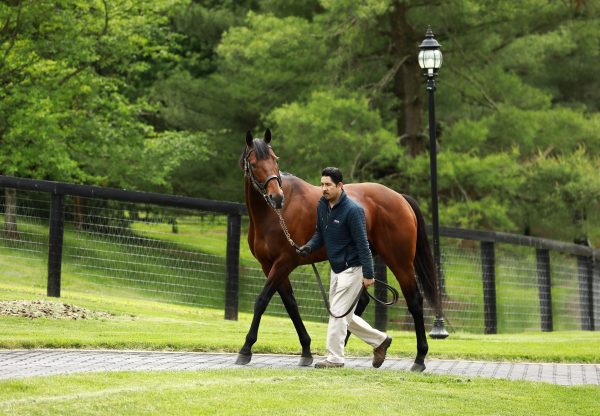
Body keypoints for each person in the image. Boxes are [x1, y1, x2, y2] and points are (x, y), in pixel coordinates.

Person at [297, 167, 392, 368]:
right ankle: (380, 341)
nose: (323, 188)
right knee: (345, 315)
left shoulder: (353, 210)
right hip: (337, 268)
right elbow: (320, 234)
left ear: (340, 185)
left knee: (338, 314)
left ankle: (335, 359)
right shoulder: (322, 206)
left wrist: (368, 274)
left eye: (328, 185)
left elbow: (363, 244)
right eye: (322, 184)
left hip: (354, 269)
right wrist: (309, 247)